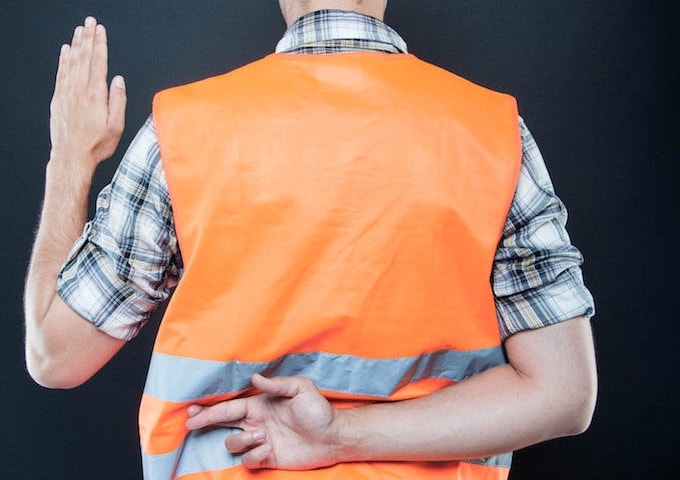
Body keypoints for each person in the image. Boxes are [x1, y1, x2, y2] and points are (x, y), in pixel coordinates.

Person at [24, 1, 597, 479]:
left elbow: (56, 355)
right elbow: (565, 391)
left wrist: (70, 160)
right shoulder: (493, 134)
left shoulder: (181, 131)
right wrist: (342, 435)